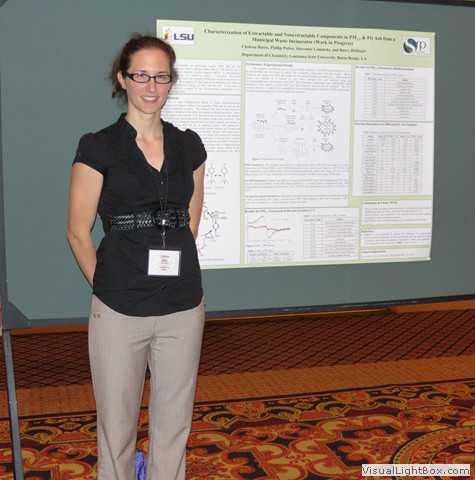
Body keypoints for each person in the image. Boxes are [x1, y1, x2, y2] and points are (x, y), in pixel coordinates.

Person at [67, 33, 207, 480]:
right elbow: (77, 231)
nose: (151, 86)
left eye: (161, 76)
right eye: (141, 75)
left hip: (183, 305)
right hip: (119, 307)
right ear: (122, 78)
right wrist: (108, 288)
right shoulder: (99, 146)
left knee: (174, 424)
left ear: (171, 81)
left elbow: (190, 225)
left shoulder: (189, 146)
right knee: (117, 426)